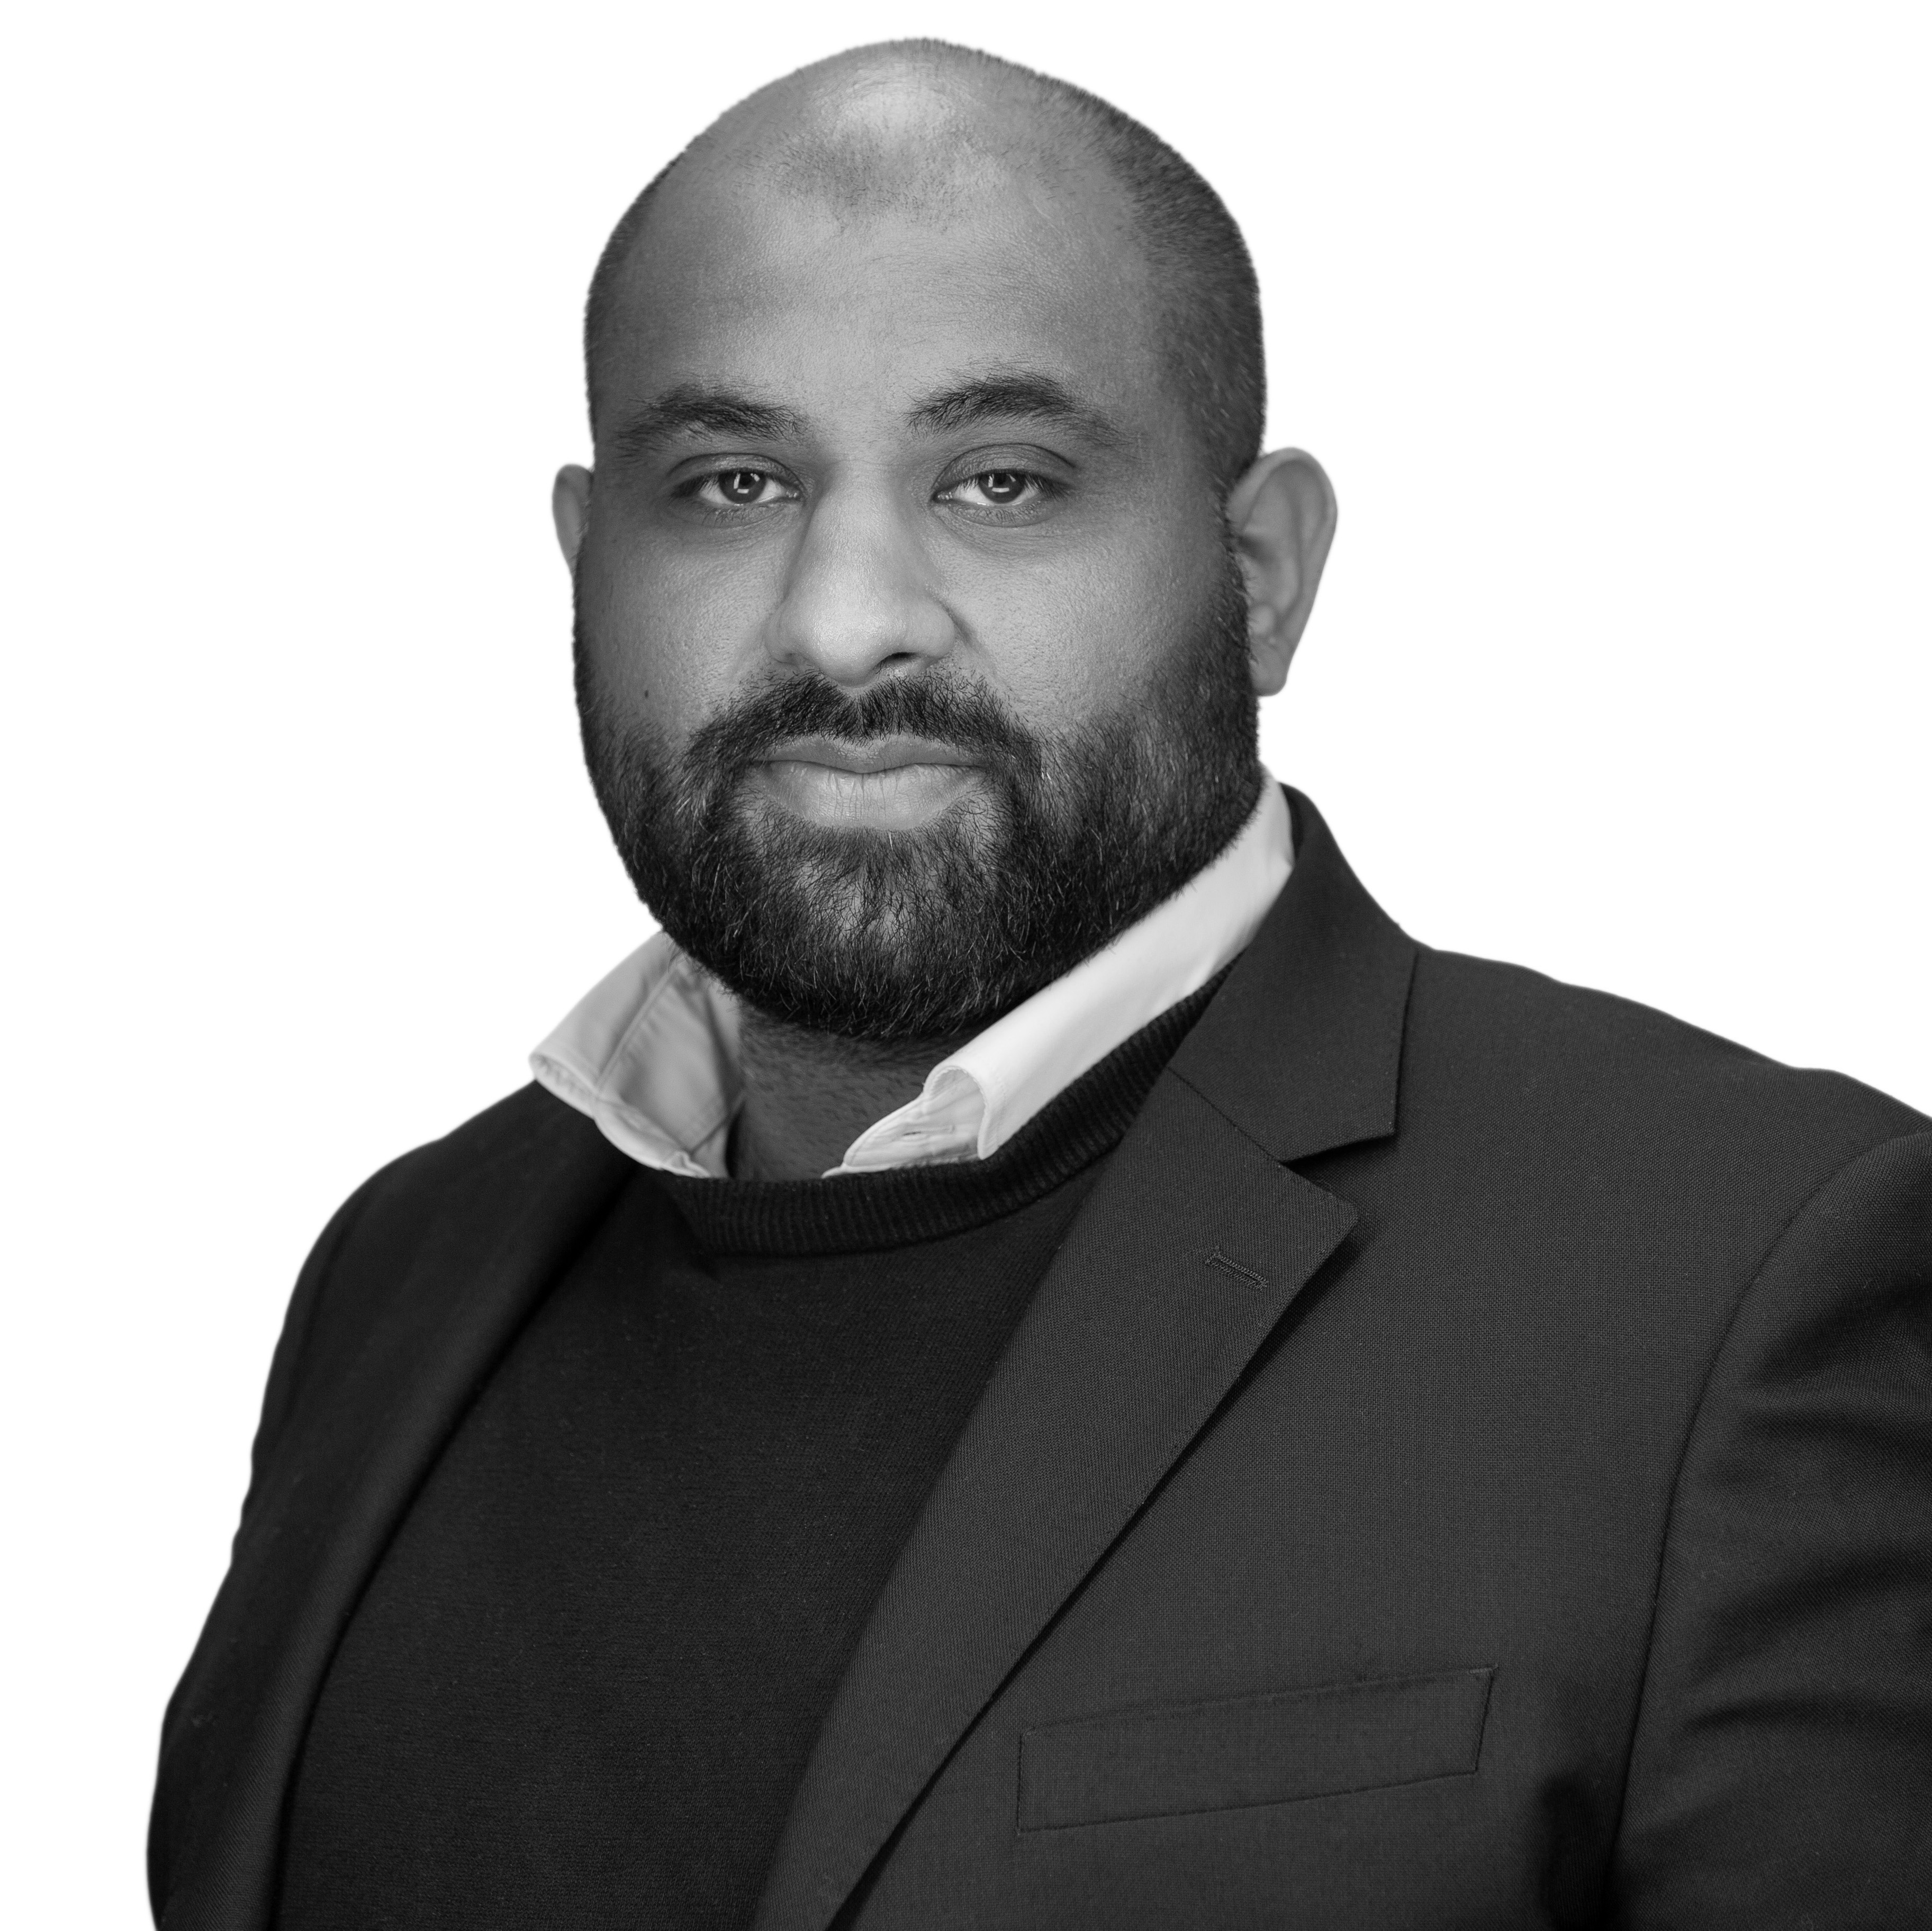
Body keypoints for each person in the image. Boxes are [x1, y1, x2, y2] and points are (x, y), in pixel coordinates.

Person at [149, 39, 1931, 1931]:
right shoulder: (399, 1274)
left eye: (1001, 481)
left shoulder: (1751, 1269)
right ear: (588, 565)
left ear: (1260, 576)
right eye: (734, 481)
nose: (847, 619)